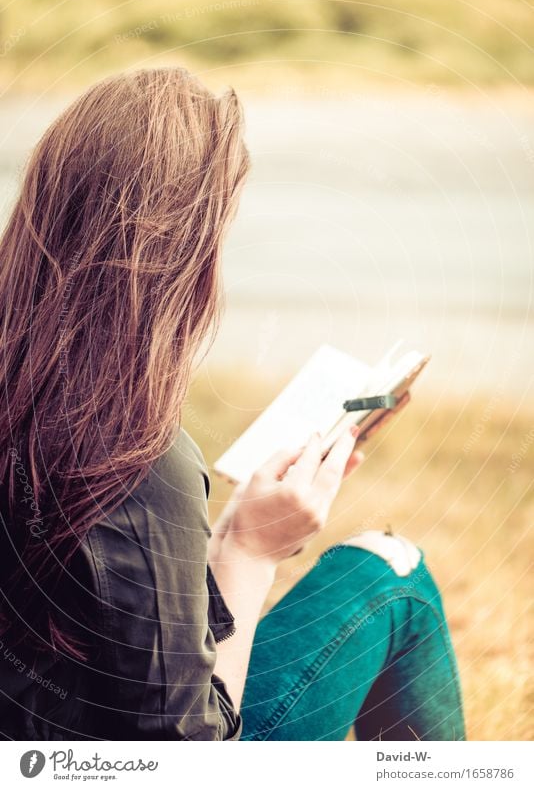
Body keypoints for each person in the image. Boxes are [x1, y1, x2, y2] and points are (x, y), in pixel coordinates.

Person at [0, 68, 465, 741]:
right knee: (394, 576)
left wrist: (214, 540)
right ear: (181, 251)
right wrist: (250, 549)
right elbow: (181, 760)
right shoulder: (131, 463)